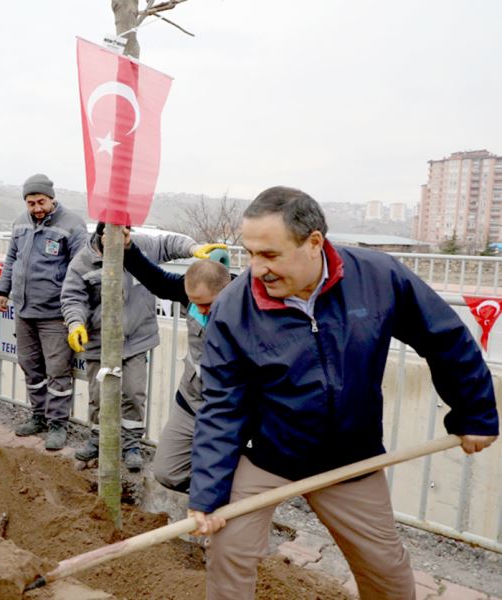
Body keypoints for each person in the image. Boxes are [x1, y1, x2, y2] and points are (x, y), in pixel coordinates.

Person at [187, 186, 499, 599]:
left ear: (314, 241)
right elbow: (223, 405)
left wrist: (475, 412)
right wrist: (208, 493)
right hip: (272, 455)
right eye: (250, 252)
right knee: (229, 550)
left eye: (270, 255)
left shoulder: (378, 277)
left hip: (351, 459)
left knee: (388, 576)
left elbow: (445, 339)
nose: (256, 268)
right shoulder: (234, 308)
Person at [61, 223, 211, 470]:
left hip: (136, 339)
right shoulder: (83, 261)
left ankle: (131, 444)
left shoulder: (141, 245)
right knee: (99, 395)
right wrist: (75, 323)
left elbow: (169, 243)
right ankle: (98, 439)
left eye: (123, 235)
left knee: (133, 393)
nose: (119, 241)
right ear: (100, 236)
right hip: (99, 340)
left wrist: (194, 248)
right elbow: (72, 297)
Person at [121, 243, 230, 490]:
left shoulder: (248, 306)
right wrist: (127, 248)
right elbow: (156, 279)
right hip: (191, 401)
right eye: (194, 303)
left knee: (223, 471)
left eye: (207, 305)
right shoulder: (190, 292)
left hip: (230, 409)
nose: (200, 310)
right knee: (167, 472)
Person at [0, 174, 87, 451]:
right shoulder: (20, 222)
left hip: (55, 314)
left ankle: (58, 423)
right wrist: (3, 290)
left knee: (58, 371)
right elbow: (11, 258)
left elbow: (81, 268)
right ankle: (38, 415)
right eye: (31, 203)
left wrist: (77, 312)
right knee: (30, 366)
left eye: (41, 202)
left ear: (52, 198)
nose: (36, 208)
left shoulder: (72, 224)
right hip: (24, 310)